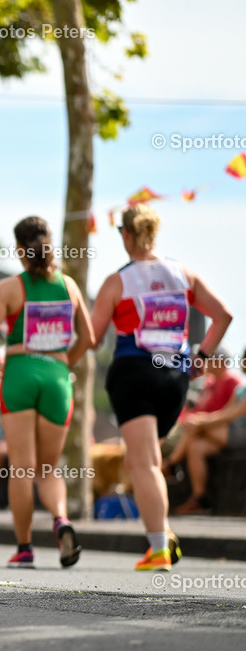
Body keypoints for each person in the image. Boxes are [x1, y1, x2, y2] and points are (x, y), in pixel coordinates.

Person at [90, 204, 232, 570]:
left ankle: (159, 546)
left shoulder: (118, 280)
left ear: (125, 235)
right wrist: (200, 358)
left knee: (142, 464)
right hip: (174, 378)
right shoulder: (183, 272)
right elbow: (224, 315)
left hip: (135, 373)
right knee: (150, 459)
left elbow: (91, 336)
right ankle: (163, 535)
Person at [0, 216, 94, 568]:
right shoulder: (70, 286)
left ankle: (25, 548)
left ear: (19, 249)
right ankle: (61, 521)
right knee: (48, 468)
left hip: (19, 373)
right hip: (57, 378)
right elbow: (89, 338)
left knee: (22, 469)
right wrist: (64, 362)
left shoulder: (8, 288)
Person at [165, 350, 246, 514]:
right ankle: (200, 498)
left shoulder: (234, 382)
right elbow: (226, 412)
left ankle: (170, 465)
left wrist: (202, 421)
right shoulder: (241, 389)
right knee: (196, 447)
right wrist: (202, 420)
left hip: (241, 432)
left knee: (197, 427)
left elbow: (231, 415)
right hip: (228, 432)